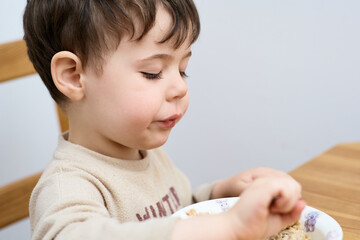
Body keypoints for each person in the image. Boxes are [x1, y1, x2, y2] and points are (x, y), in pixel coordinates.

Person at [23, 0, 306, 239]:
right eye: (153, 72)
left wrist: (219, 192)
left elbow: (176, 211)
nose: (180, 88)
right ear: (73, 76)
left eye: (182, 70)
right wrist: (228, 226)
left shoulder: (147, 154)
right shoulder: (67, 187)